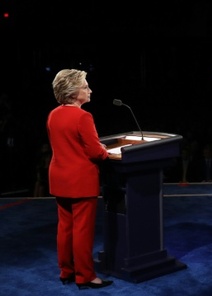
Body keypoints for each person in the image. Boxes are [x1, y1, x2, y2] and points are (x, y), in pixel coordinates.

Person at [47, 69, 114, 289]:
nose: (90, 90)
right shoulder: (83, 116)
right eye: (86, 86)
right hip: (80, 180)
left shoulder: (53, 114)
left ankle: (66, 271)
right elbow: (95, 153)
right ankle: (85, 276)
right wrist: (104, 151)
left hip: (59, 177)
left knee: (64, 227)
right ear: (74, 92)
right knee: (82, 230)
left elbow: (68, 145)